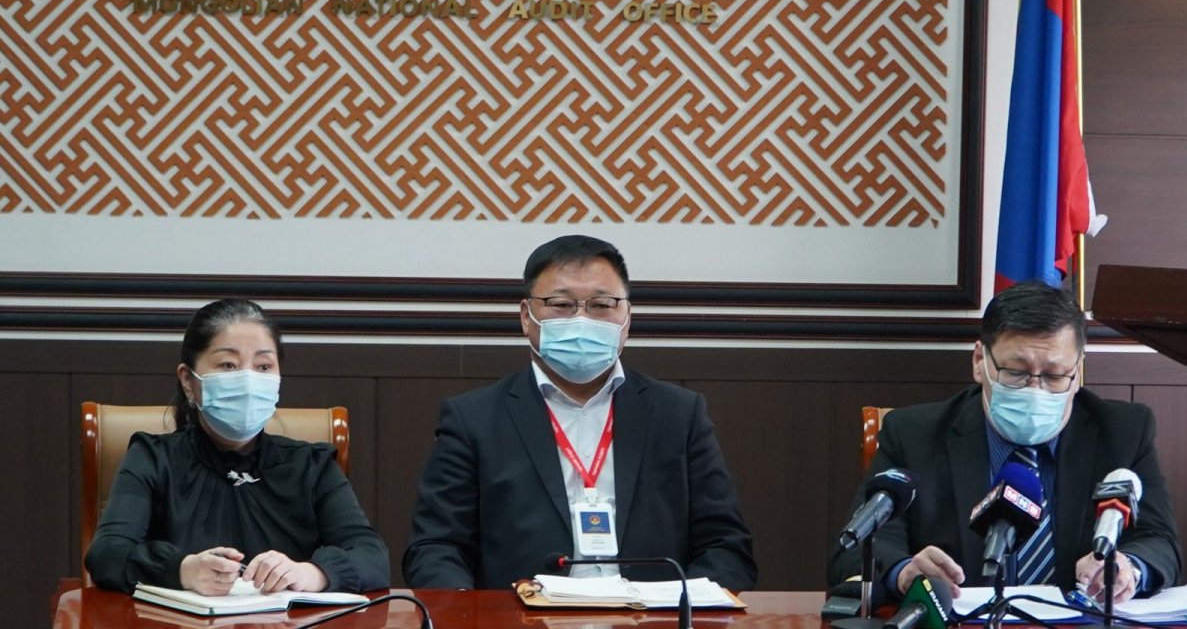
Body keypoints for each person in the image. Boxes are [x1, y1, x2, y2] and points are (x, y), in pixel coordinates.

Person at [403, 235, 757, 590]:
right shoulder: (473, 419)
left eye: (602, 305)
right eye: (562, 304)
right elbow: (436, 547)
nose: (582, 319)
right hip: (523, 613)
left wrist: (682, 606)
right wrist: (471, 611)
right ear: (526, 316)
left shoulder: (678, 414)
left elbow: (725, 547)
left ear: (627, 317)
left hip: (649, 613)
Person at [828, 281, 1182, 604]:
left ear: (1077, 372)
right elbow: (854, 551)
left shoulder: (1123, 431)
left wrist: (1129, 567)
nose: (1035, 389)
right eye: (1016, 372)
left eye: (1054, 375)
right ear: (979, 361)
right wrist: (903, 572)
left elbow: (1160, 542)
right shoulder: (913, 433)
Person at [85, 298, 389, 595]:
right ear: (188, 380)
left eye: (263, 366)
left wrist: (310, 573)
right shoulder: (152, 458)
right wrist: (182, 570)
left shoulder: (313, 465)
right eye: (228, 365)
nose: (248, 380)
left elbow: (372, 557)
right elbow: (106, 554)